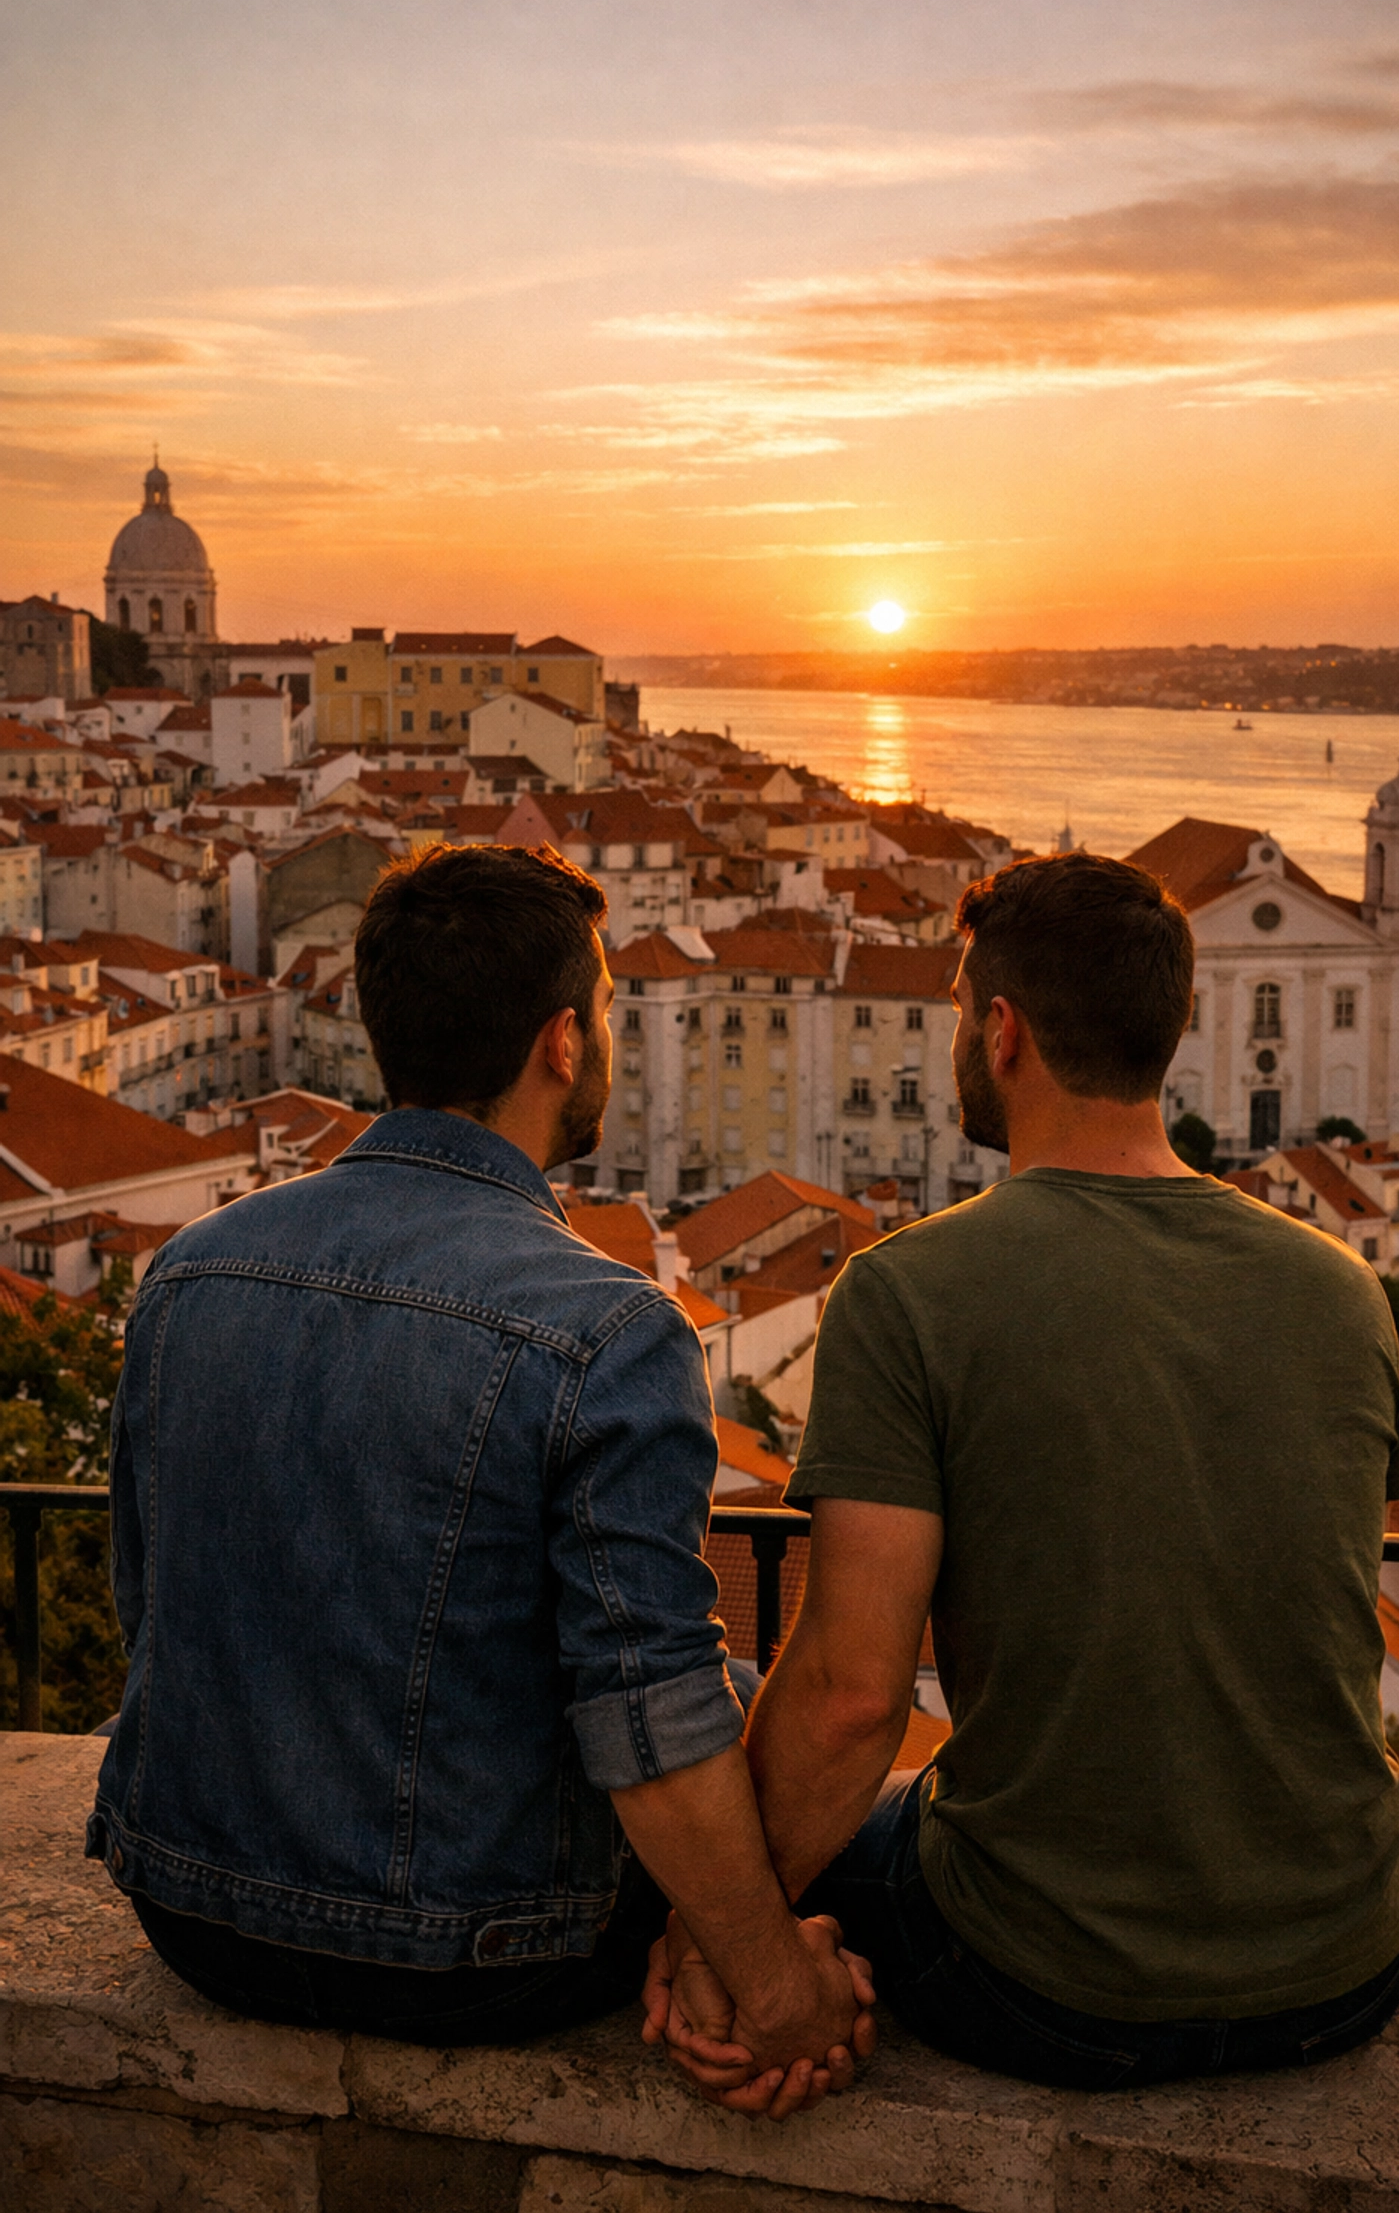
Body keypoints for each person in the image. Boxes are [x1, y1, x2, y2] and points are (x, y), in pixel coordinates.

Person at [89, 843, 870, 2114]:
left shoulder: (190, 1272)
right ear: (563, 1043)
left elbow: (153, 1601)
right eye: (610, 1010)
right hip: (474, 1955)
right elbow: (649, 1715)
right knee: (867, 1831)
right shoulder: (605, 1330)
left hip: (193, 1914)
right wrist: (771, 1980)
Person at [649, 852, 1399, 2096]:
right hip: (1344, 1965)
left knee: (711, 1744)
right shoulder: (1343, 1291)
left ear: (1001, 1031)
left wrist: (727, 1948)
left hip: (1052, 1988)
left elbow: (854, 1699)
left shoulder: (910, 1292)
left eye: (959, 1011)